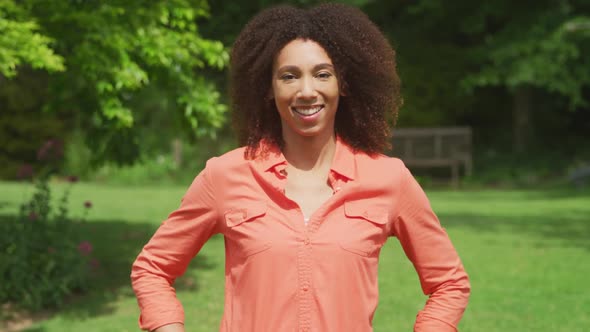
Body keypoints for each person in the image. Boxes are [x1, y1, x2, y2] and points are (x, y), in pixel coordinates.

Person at [131, 3, 470, 332]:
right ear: (268, 88)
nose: (307, 91)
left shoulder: (389, 179)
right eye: (289, 76)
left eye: (322, 74)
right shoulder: (224, 175)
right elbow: (153, 268)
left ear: (344, 84)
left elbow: (449, 283)